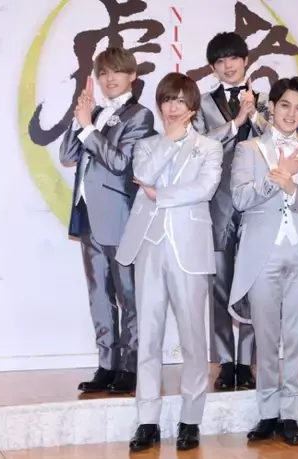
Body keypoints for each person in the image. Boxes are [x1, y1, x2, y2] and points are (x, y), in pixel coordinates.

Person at [115, 72, 223, 452]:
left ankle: (190, 419)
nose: (172, 107)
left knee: (193, 337)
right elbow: (142, 175)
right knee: (148, 335)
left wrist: (159, 195)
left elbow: (204, 189)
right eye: (167, 99)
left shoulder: (209, 147)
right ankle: (147, 420)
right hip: (149, 245)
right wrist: (170, 141)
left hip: (189, 249)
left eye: (180, 100)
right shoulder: (147, 145)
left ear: (192, 106)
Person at [228, 77, 298, 445]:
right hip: (262, 254)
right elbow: (239, 198)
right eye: (285, 105)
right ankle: (268, 412)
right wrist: (277, 179)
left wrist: (293, 187)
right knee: (266, 337)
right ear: (271, 107)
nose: (291, 114)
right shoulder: (249, 149)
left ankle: (291, 415)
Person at [59, 46, 154, 395]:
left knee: (127, 294)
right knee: (99, 294)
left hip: (120, 216)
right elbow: (67, 155)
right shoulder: (95, 113)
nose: (109, 78)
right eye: (103, 73)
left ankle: (130, 366)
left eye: (116, 71)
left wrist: (88, 128)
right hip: (88, 215)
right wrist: (79, 120)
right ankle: (107, 364)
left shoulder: (139, 116)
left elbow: (119, 163)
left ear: (132, 76)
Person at [193, 31, 269, 391]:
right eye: (220, 61)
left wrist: (255, 117)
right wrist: (236, 122)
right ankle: (225, 362)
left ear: (245, 60)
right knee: (220, 287)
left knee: (252, 284)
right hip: (218, 205)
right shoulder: (202, 103)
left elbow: (278, 140)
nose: (227, 66)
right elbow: (197, 145)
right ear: (213, 67)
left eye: (233, 58)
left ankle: (246, 361)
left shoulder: (267, 101)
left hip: (257, 202)